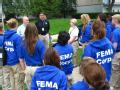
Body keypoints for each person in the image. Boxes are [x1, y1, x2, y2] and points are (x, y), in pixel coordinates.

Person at [19, 23, 46, 90]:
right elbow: (44, 59)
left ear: (26, 31)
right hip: (39, 69)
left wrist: (24, 69)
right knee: (41, 88)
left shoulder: (23, 43)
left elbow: (21, 59)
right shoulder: (39, 43)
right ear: (35, 30)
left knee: (31, 88)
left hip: (28, 68)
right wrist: (46, 70)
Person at [2, 18, 24, 90]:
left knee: (12, 82)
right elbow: (19, 53)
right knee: (19, 82)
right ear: (16, 25)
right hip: (16, 63)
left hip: (7, 62)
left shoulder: (5, 35)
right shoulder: (17, 37)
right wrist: (23, 66)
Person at [111, 14, 120, 90]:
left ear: (115, 20)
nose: (111, 21)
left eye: (112, 19)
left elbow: (114, 46)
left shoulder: (116, 31)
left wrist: (111, 55)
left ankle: (116, 87)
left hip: (117, 54)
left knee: (115, 71)